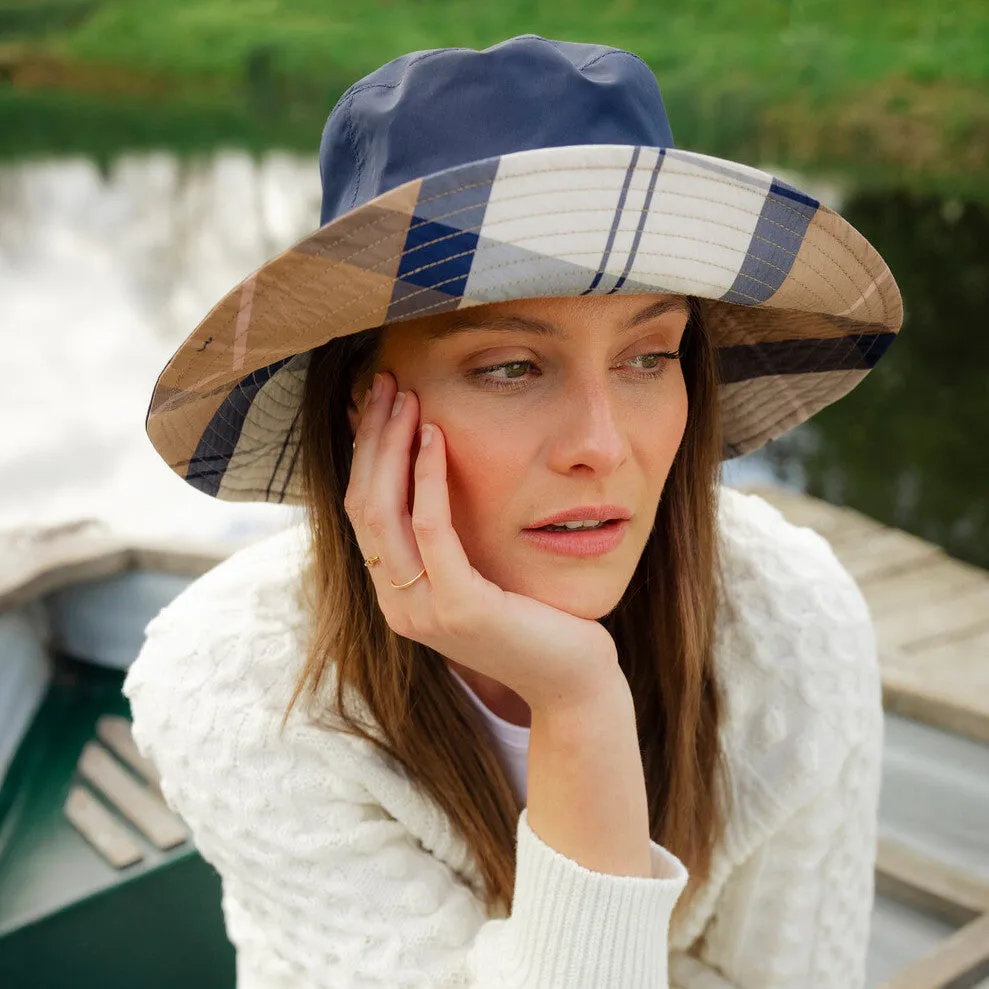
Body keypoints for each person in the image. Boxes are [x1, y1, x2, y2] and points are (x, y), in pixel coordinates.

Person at [124, 34, 902, 988]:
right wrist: (579, 703)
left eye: (648, 356)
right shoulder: (240, 684)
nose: (601, 444)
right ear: (358, 410)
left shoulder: (790, 621)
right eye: (509, 367)